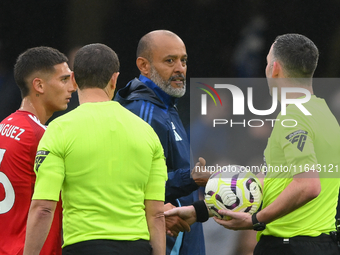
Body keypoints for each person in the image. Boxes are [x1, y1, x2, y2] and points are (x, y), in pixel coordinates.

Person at [165, 34, 340, 255]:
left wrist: (256, 219)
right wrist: (201, 209)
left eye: (267, 63)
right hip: (321, 244)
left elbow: (308, 185)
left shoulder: (293, 118)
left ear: (274, 69)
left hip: (289, 246)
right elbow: (275, 183)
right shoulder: (325, 116)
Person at [23, 43, 168, 255]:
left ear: (73, 79)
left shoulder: (59, 130)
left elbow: (44, 208)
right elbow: (156, 215)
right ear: (114, 79)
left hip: (84, 246)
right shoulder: (146, 132)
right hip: (137, 247)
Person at [114, 30, 210, 255]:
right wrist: (191, 178)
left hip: (184, 239)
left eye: (183, 60)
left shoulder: (165, 106)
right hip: (165, 241)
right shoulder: (143, 111)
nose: (180, 68)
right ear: (143, 65)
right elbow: (134, 184)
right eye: (170, 60)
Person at [0, 46, 76, 255]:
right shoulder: (42, 137)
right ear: (39, 85)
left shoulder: (4, 126)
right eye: (63, 79)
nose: (72, 87)